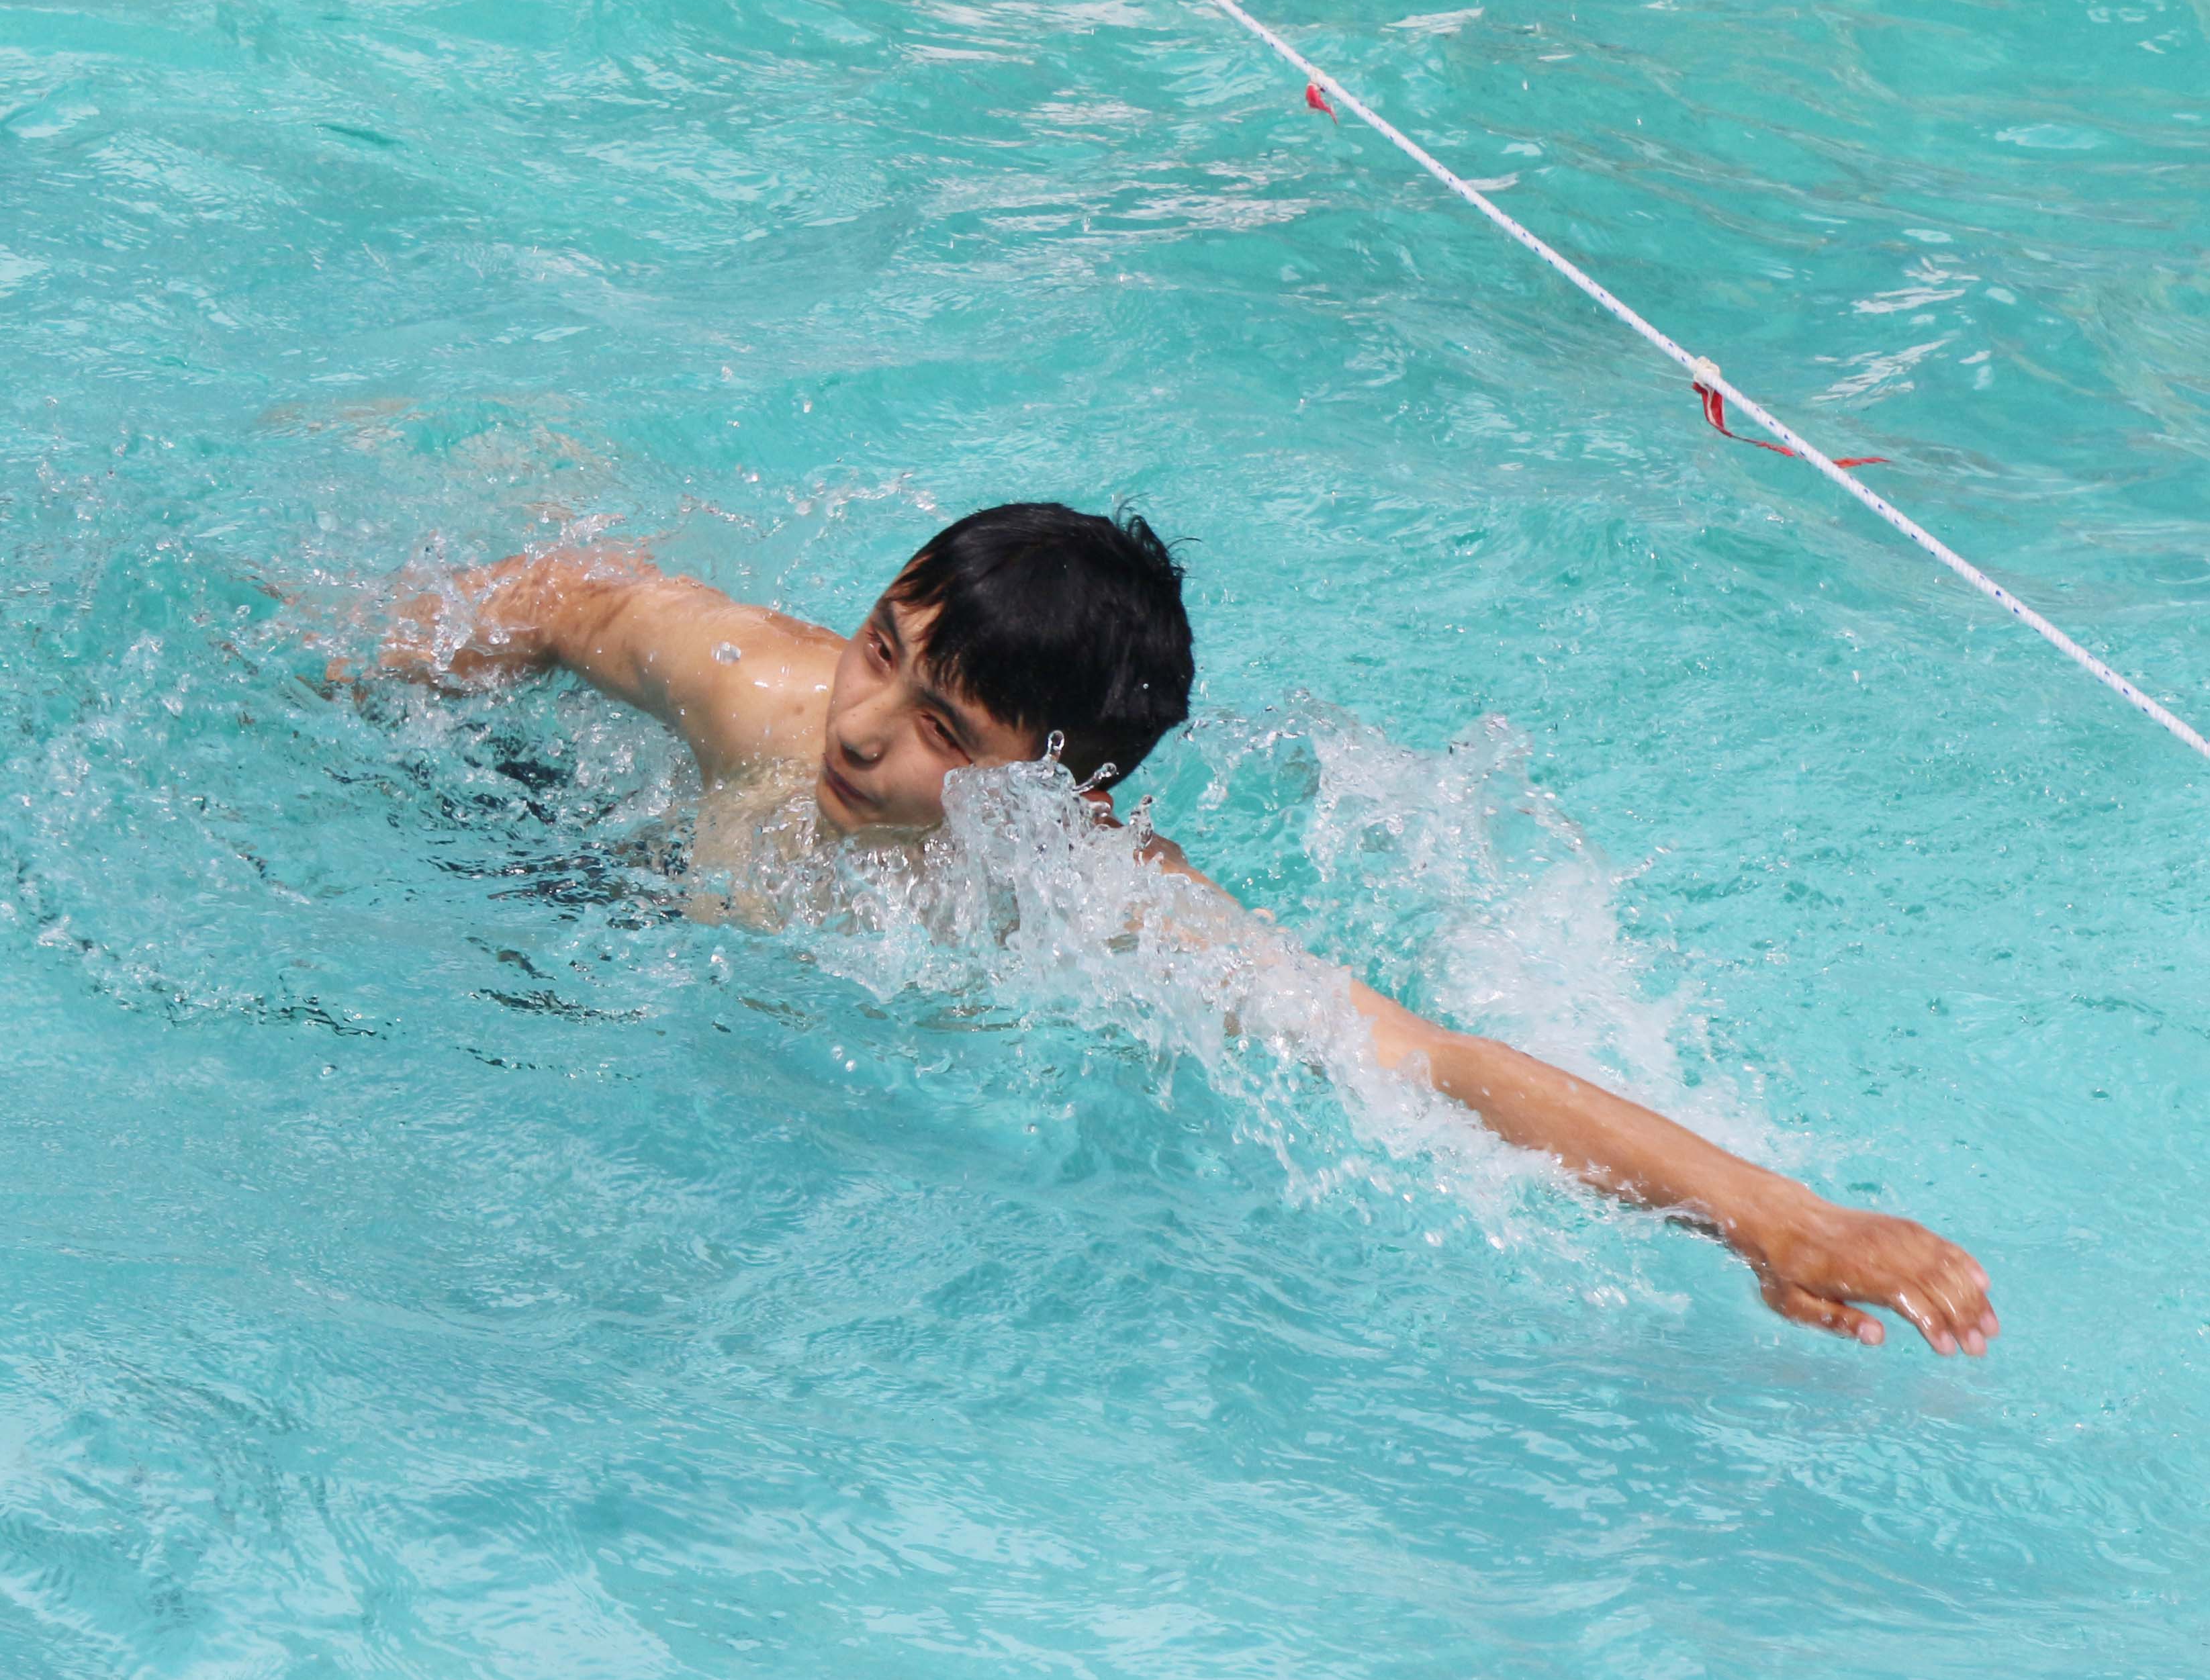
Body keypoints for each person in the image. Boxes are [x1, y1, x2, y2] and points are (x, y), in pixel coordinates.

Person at [372, 501, 1998, 1357]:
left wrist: (1766, 1214)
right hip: (574, 866)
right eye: (880, 650)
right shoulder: (760, 690)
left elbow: (1427, 1063)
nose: (862, 730)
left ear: (1055, 792)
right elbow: (564, 596)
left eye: (945, 730)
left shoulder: (1088, 899)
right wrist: (361, 678)